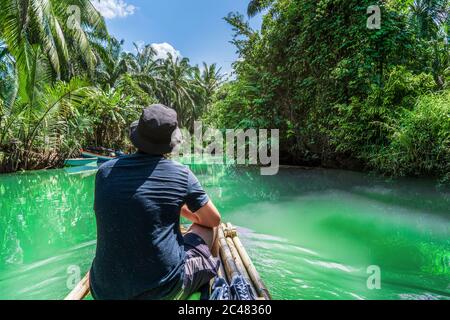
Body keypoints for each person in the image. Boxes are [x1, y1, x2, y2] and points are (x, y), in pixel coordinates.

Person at [89, 104, 221, 300]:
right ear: (169, 143)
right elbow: (213, 220)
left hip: (103, 291)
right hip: (163, 291)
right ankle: (208, 273)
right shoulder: (181, 174)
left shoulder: (104, 172)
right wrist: (181, 208)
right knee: (209, 230)